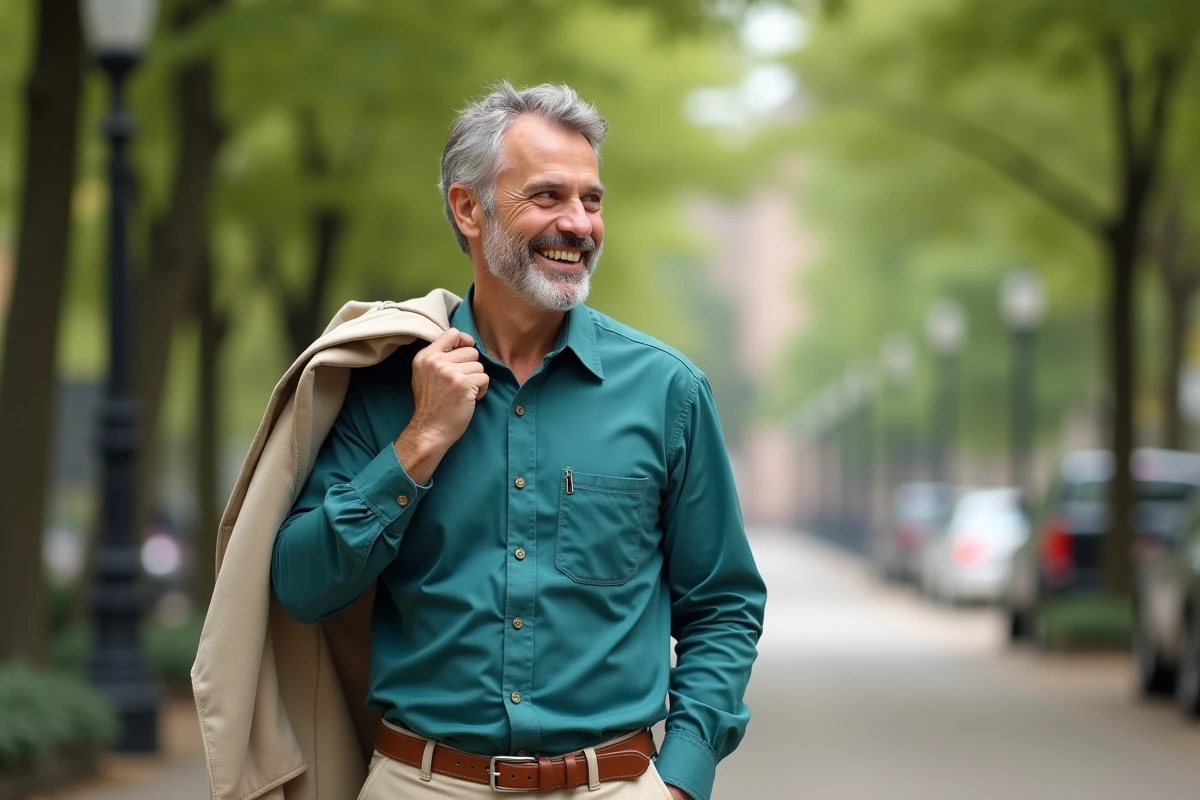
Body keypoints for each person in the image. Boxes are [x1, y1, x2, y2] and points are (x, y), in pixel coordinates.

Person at [271, 81, 766, 800]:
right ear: (468, 208)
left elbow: (721, 605)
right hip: (423, 783)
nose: (579, 223)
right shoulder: (384, 386)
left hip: (613, 785)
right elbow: (302, 587)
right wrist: (418, 444)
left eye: (591, 200)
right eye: (547, 197)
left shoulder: (668, 393)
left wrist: (681, 779)